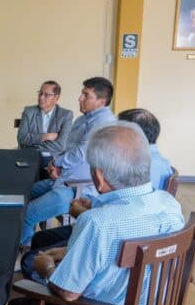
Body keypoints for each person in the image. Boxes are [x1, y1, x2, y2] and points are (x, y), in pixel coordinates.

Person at [9, 122, 185, 305]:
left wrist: (46, 267)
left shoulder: (98, 223)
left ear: (99, 176)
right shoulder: (169, 205)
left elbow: (68, 293)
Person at [19, 108, 174, 274]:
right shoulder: (162, 167)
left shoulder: (134, 166)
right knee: (41, 238)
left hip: (115, 239)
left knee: (30, 260)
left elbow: (118, 220)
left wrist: (85, 215)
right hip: (119, 230)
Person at [19, 77, 116, 248]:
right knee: (20, 194)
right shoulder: (82, 120)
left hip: (79, 189)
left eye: (86, 95)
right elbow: (66, 147)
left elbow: (81, 153)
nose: (80, 98)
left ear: (101, 101)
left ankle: (29, 252)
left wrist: (56, 161)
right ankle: (26, 242)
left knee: (27, 213)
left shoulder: (103, 123)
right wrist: (55, 165)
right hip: (62, 179)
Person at [16, 80, 73, 161]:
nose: (41, 97)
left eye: (46, 95)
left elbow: (61, 146)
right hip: (30, 157)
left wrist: (33, 146)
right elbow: (21, 138)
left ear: (56, 98)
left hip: (53, 159)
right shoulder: (28, 111)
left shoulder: (65, 115)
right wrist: (45, 136)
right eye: (40, 93)